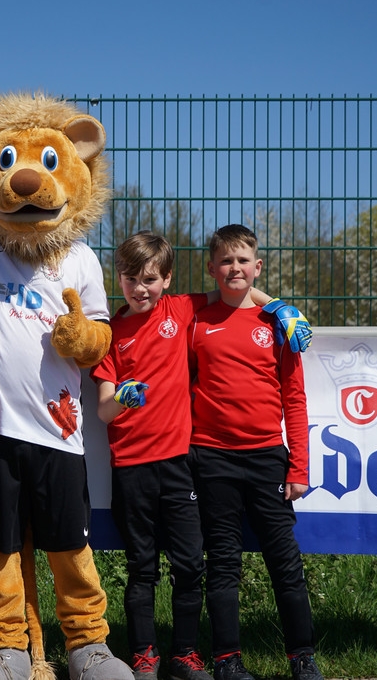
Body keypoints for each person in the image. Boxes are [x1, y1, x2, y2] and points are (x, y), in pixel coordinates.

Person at [91, 231, 280, 680]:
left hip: (180, 464)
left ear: (167, 279)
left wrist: (280, 307)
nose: (140, 289)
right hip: (131, 467)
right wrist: (121, 399)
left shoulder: (180, 309)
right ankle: (144, 655)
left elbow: (238, 291)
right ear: (118, 278)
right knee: (141, 568)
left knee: (190, 564)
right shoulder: (110, 334)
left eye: (150, 280)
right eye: (131, 279)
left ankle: (185, 655)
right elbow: (102, 409)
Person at [187, 224, 321, 680]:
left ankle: (302, 657)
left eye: (243, 260)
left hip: (267, 459)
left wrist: (298, 467)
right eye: (225, 261)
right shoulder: (196, 322)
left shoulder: (279, 325)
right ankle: (227, 660)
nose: (235, 268)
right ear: (212, 268)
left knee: (285, 562)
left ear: (257, 266)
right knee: (223, 563)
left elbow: (295, 399)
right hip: (211, 459)